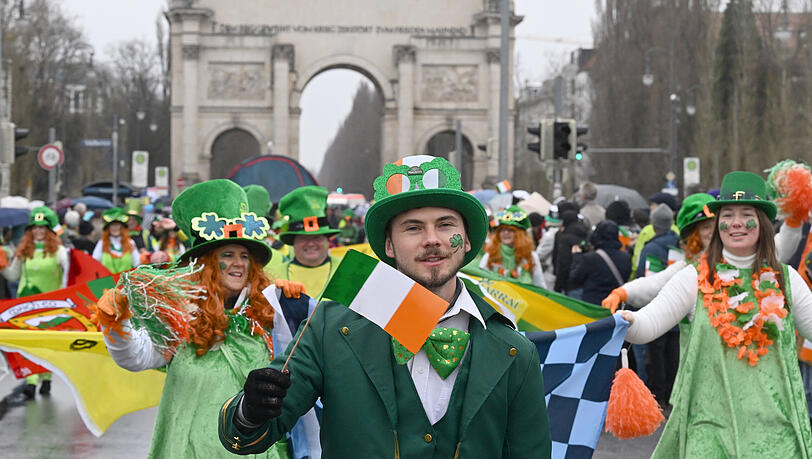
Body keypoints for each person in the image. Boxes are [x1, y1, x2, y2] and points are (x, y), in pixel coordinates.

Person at [218, 155, 551, 457]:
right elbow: (250, 435)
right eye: (413, 228)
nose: (432, 239)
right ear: (389, 245)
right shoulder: (329, 328)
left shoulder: (513, 350)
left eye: (445, 224)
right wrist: (252, 410)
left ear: (465, 240)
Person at [93, 179, 316, 458]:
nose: (238, 263)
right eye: (228, 254)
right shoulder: (181, 313)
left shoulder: (270, 313)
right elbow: (136, 357)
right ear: (207, 263)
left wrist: (296, 310)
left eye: (244, 255)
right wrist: (116, 323)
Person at [620, 171, 812, 457]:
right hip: (709, 428)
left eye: (746, 213)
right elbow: (650, 323)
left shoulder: (786, 280)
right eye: (727, 214)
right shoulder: (693, 278)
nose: (735, 222)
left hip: (773, 431)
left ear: (762, 223)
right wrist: (628, 322)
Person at [1, 206, 69, 399]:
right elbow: (14, 276)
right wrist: (2, 265)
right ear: (30, 230)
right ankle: (31, 381)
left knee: (46, 344)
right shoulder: (23, 251)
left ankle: (46, 377)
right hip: (25, 304)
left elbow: (68, 275)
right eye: (35, 227)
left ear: (48, 230)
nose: (38, 231)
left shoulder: (60, 252)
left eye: (42, 227)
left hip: (50, 305)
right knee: (28, 343)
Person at [266, 186, 341, 299]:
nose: (310, 243)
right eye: (303, 238)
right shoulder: (271, 276)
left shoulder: (346, 270)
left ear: (327, 239)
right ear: (293, 242)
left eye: (317, 237)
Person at [479, 205, 547, 288]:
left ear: (520, 234)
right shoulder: (491, 254)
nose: (506, 233)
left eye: (511, 230)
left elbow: (540, 285)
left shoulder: (530, 256)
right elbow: (481, 279)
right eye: (502, 230)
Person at [569, 220, 631, 306]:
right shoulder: (626, 258)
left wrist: (576, 257)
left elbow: (575, 277)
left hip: (592, 306)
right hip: (615, 306)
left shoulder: (590, 258)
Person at [631, 192, 680, 279]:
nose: (650, 207)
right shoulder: (678, 233)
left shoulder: (646, 232)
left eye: (653, 204)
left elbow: (637, 263)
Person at [92, 207, 140, 273]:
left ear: (122, 227)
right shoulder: (102, 243)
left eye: (117, 225)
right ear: (108, 228)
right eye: (112, 225)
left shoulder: (130, 243)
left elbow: (137, 263)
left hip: (124, 282)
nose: (115, 228)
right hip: (107, 281)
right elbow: (95, 263)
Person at [553, 210, 589, 297]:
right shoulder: (587, 235)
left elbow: (564, 264)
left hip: (570, 284)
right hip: (586, 284)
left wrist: (557, 287)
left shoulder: (566, 239)